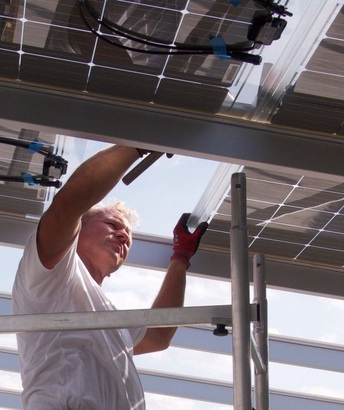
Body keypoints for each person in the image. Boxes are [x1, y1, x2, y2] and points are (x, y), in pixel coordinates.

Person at [12, 145, 209, 409]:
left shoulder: (109, 320)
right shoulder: (50, 276)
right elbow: (67, 205)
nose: (123, 236)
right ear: (77, 229)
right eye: (112, 225)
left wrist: (180, 258)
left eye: (127, 236)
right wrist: (136, 145)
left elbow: (158, 335)